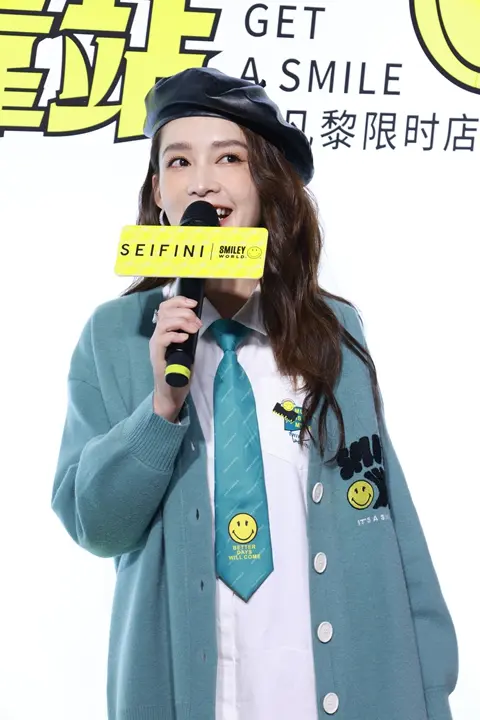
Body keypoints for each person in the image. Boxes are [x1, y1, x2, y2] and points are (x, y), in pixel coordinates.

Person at [51, 67, 458, 720]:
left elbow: (385, 515)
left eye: (228, 158)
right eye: (178, 161)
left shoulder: (331, 331)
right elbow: (97, 526)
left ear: (264, 185)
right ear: (158, 192)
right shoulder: (115, 336)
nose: (202, 182)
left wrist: (432, 690)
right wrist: (161, 407)